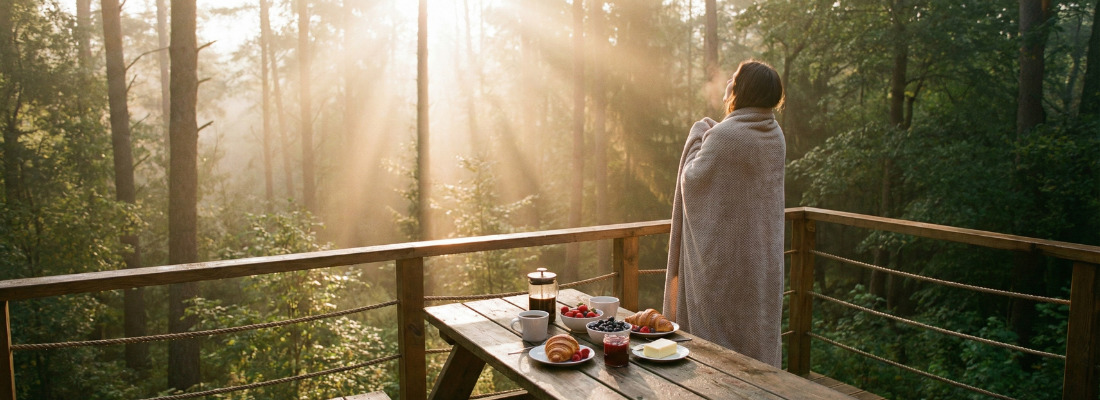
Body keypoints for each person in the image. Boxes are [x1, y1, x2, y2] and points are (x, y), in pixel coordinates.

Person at [662, 60, 786, 367]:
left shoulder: (726, 136)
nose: (729, 83)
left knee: (718, 335)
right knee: (753, 326)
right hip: (760, 259)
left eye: (734, 78)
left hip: (724, 260)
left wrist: (697, 133)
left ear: (744, 89)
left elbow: (692, 179)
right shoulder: (775, 134)